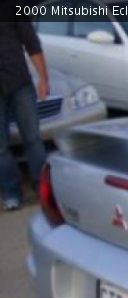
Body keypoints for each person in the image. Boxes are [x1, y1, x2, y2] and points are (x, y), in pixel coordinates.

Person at [0, 20, 49, 211]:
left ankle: (42, 187)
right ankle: (11, 192)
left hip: (19, 82)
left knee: (33, 138)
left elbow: (32, 43)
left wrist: (43, 79)